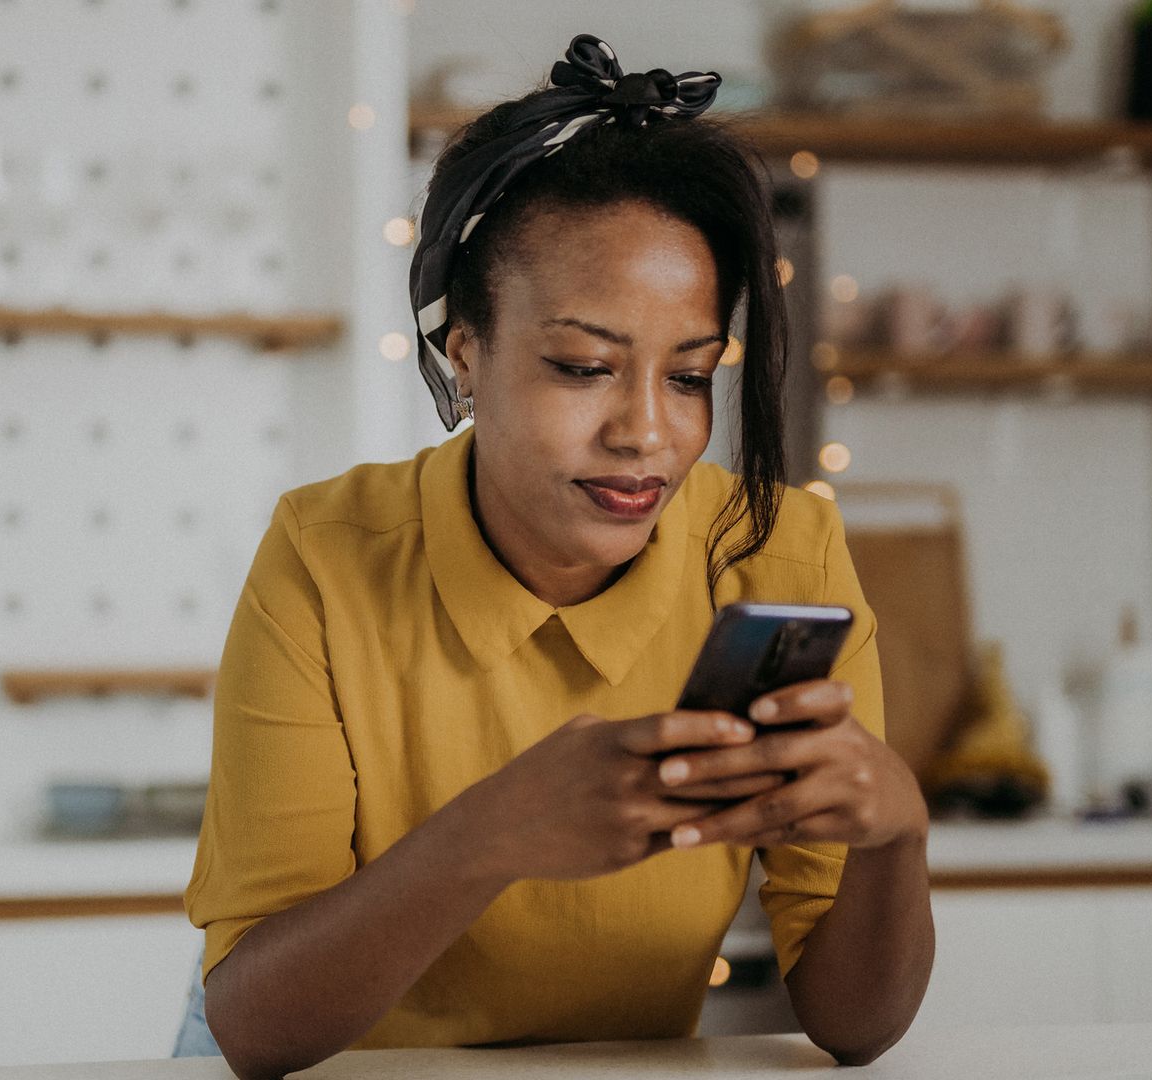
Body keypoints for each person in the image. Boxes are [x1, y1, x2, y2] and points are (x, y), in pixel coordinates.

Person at [178, 33, 934, 1079]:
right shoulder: (325, 555)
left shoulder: (774, 550)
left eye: (688, 376)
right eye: (584, 367)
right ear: (467, 356)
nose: (647, 434)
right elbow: (254, 1028)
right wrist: (493, 836)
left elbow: (856, 1027)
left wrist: (895, 839)